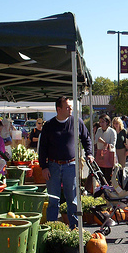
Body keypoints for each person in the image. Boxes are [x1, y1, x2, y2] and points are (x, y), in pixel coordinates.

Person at [39, 96, 93, 229]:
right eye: (68, 107)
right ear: (59, 109)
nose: (71, 110)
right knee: (53, 200)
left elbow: (86, 139)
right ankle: (51, 229)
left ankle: (74, 228)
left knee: (72, 200)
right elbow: (42, 148)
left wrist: (89, 153)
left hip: (71, 165)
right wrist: (44, 167)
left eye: (71, 107)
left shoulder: (77, 122)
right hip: (53, 166)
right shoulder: (49, 126)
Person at [94, 114, 117, 183]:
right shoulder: (99, 130)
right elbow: (95, 141)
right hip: (100, 155)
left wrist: (104, 143)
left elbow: (113, 145)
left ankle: (108, 190)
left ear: (107, 122)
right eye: (100, 122)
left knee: (108, 176)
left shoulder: (112, 131)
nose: (101, 124)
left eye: (102, 122)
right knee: (100, 175)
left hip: (109, 156)